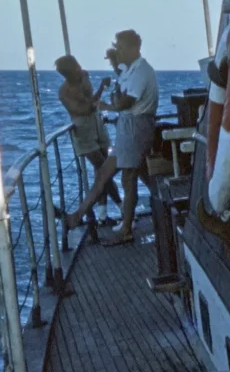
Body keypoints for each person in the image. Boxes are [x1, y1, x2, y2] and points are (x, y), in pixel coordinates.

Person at [67, 30, 158, 246]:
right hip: (127, 127)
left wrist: (109, 105)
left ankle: (126, 229)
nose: (118, 51)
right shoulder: (131, 72)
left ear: (134, 48)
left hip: (136, 127)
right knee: (104, 175)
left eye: (121, 47)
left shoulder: (141, 72)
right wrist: (115, 102)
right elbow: (120, 98)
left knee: (129, 179)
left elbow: (125, 102)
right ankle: (76, 217)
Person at [54, 55, 121, 217]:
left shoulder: (84, 76)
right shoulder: (64, 92)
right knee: (103, 168)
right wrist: (100, 89)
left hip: (97, 123)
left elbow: (91, 102)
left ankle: (102, 212)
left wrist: (97, 94)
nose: (79, 69)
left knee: (103, 170)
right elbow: (82, 110)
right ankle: (121, 205)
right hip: (82, 129)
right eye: (74, 69)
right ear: (67, 74)